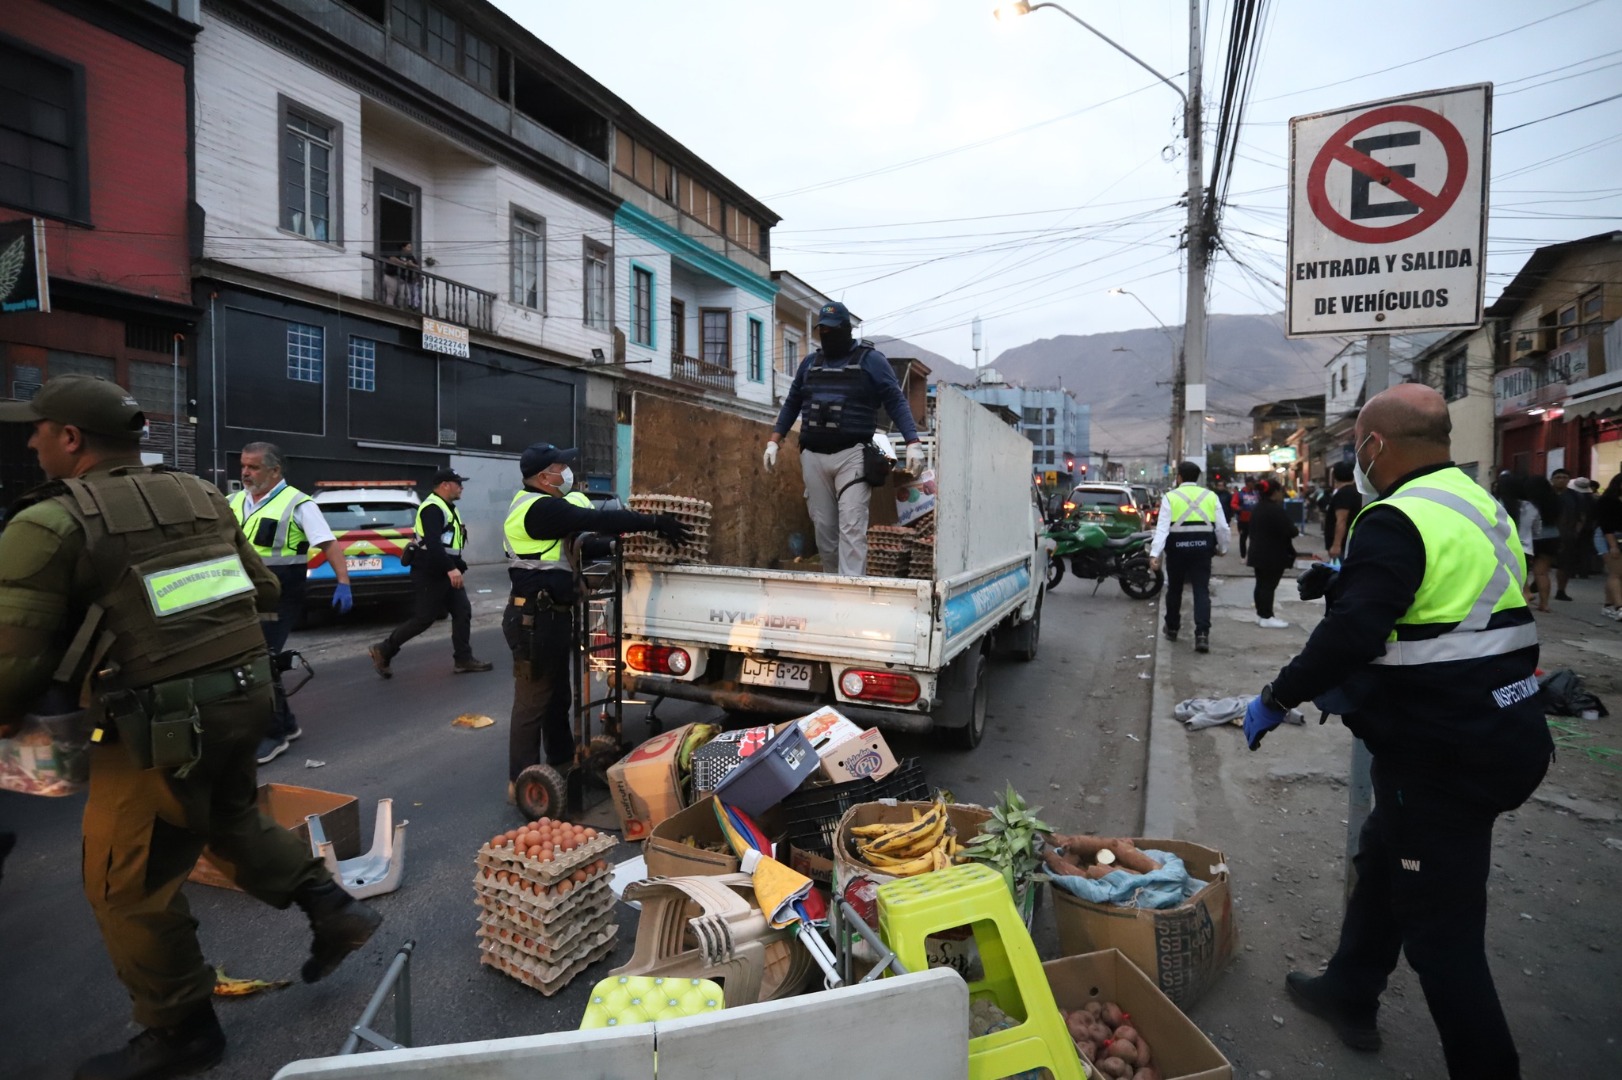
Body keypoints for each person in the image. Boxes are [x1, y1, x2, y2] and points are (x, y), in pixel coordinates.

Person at [0, 376, 381, 1080]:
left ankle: (181, 1029)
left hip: (156, 726)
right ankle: (333, 908)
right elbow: (262, 591)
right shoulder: (200, 496)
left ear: (72, 439)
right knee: (229, 817)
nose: (30, 440)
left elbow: (10, 669)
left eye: (38, 428)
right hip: (244, 695)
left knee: (125, 884)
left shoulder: (47, 525)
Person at [1242, 384, 1551, 1080]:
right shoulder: (1478, 505)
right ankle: (1350, 990)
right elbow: (1449, 598)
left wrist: (1277, 695)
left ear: (1375, 446)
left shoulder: (1394, 516)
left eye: (1357, 445)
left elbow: (1352, 635)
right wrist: (1353, 576)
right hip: (1504, 724)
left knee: (1444, 938)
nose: (1356, 456)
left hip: (1443, 750)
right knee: (1385, 856)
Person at [500, 443, 689, 804]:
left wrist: (624, 540)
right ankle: (521, 781)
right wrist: (649, 522)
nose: (567, 472)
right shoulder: (539, 508)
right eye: (561, 466)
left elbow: (585, 544)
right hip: (532, 619)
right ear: (544, 476)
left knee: (557, 697)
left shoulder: (546, 507)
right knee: (532, 701)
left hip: (550, 615)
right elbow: (595, 520)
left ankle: (559, 760)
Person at [763, 301, 924, 576]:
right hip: (813, 455)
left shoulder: (871, 360)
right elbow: (792, 402)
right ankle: (833, 589)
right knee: (824, 531)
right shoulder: (810, 363)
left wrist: (913, 442)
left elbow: (895, 399)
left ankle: (852, 593)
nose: (827, 334)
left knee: (852, 526)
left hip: (853, 455)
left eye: (833, 329)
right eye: (822, 329)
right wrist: (774, 441)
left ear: (847, 330)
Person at [229, 441, 353, 764]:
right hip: (242, 593)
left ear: (275, 470)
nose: (245, 472)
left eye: (253, 467)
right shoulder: (233, 501)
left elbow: (328, 544)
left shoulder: (298, 503)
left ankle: (275, 734)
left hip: (280, 592)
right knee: (263, 661)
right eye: (243, 465)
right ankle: (287, 724)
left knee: (260, 660)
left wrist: (343, 581)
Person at [370, 468, 493, 677]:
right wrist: (451, 568)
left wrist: (456, 564)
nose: (461, 487)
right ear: (445, 485)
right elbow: (434, 544)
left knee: (462, 611)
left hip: (444, 569)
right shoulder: (432, 509)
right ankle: (384, 650)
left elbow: (448, 544)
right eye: (458, 483)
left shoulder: (447, 507)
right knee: (424, 618)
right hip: (431, 571)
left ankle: (463, 659)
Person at [1148, 461, 1230, 654]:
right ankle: (1202, 635)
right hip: (1203, 551)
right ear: (1197, 477)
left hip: (1176, 551)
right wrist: (1222, 547)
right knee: (1201, 591)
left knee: (1175, 590)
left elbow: (1162, 529)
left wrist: (1154, 554)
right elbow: (1222, 527)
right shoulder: (1210, 496)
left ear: (1179, 477)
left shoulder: (1170, 497)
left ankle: (1173, 629)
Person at [1247, 477, 1298, 628]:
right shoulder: (1276, 510)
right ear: (1275, 492)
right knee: (1269, 586)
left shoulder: (1257, 508)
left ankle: (1261, 614)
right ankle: (1267, 616)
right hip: (1273, 554)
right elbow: (1291, 531)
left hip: (1257, 552)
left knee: (1261, 584)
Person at [1550, 468, 1583, 599]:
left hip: (1567, 534)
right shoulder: (1546, 494)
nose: (1561, 480)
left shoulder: (1575, 496)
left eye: (1564, 477)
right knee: (1543, 561)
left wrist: (1576, 531)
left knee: (1565, 564)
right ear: (1552, 479)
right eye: (1558, 477)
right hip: (1547, 533)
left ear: (1569, 480)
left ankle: (1561, 590)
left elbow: (1581, 515)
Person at [1595, 473, 1622, 621]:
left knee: (1616, 573)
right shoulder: (1607, 501)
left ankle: (1608, 605)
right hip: (1608, 536)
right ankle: (1619, 606)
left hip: (1617, 536)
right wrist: (1612, 546)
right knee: (1616, 573)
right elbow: (1606, 525)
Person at [1323, 460, 1361, 563]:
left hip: (1344, 547)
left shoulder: (1344, 494)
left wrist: (1336, 545)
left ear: (1334, 476)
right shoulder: (1354, 492)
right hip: (1349, 544)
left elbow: (1341, 520)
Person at [382, 241, 420, 310]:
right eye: (408, 247)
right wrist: (404, 263)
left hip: (402, 279)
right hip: (392, 276)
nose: (410, 249)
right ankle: (389, 309)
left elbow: (417, 266)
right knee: (391, 294)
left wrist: (411, 264)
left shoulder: (410, 256)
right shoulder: (397, 252)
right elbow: (392, 259)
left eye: (411, 247)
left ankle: (401, 310)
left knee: (404, 296)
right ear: (403, 247)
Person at [1236, 478, 1260, 559]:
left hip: (1255, 520)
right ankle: (1243, 556)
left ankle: (1252, 555)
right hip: (1243, 520)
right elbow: (1233, 503)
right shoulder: (1240, 493)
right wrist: (1238, 508)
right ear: (1247, 483)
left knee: (1254, 539)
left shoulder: (1257, 493)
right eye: (1252, 483)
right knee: (1243, 538)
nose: (1253, 485)